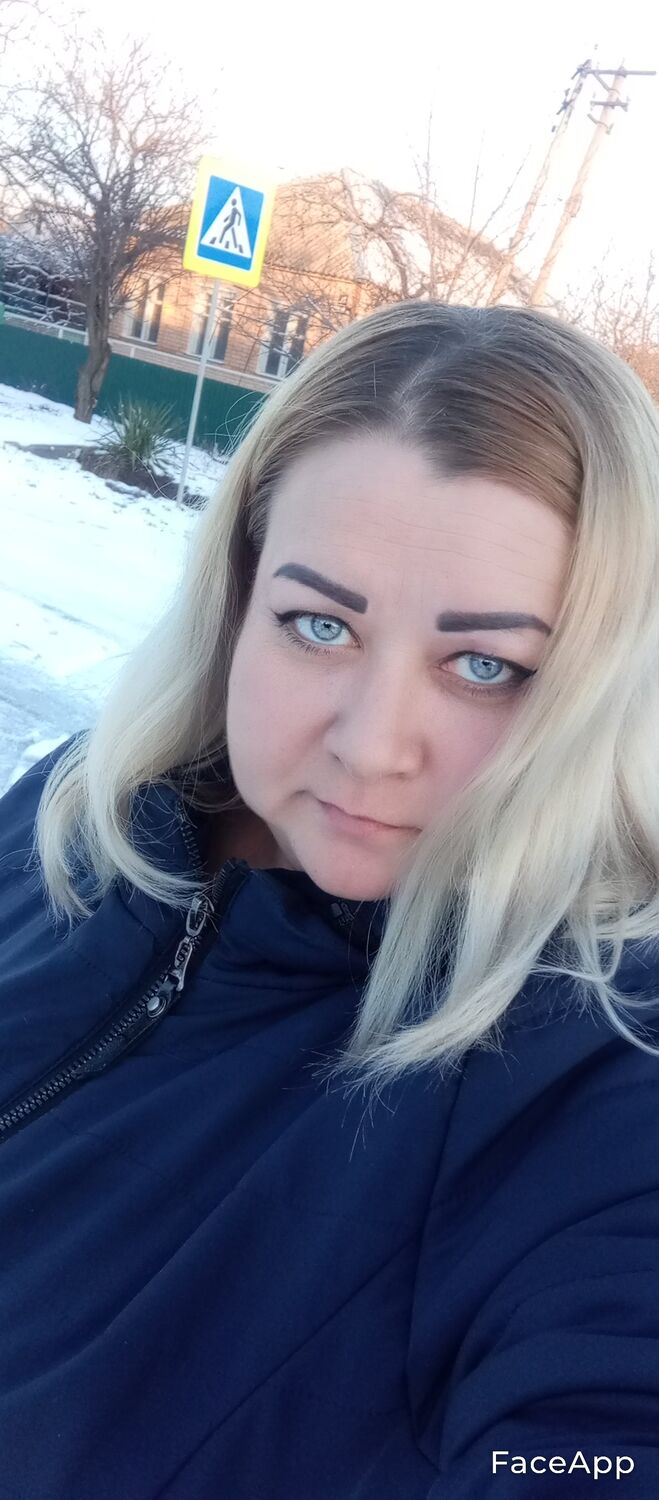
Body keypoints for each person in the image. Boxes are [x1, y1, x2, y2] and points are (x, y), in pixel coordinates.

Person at [1, 300, 659, 1500]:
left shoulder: (598, 1062)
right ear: (237, 598)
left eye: (486, 666)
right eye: (320, 625)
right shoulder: (83, 817)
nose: (370, 747)